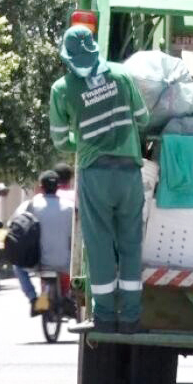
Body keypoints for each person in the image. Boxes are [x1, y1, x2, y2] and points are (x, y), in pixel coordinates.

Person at [48, 25, 150, 334]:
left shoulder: (62, 89)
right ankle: (131, 318)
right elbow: (143, 118)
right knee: (131, 245)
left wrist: (84, 141)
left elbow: (60, 141)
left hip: (95, 175)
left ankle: (105, 317)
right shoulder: (121, 75)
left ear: (67, 58)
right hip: (129, 174)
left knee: (100, 246)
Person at [11, 171, 76, 316]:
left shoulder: (32, 205)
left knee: (17, 267)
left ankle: (34, 299)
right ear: (58, 187)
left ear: (41, 187)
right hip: (65, 263)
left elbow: (19, 226)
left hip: (38, 261)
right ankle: (69, 297)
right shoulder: (70, 207)